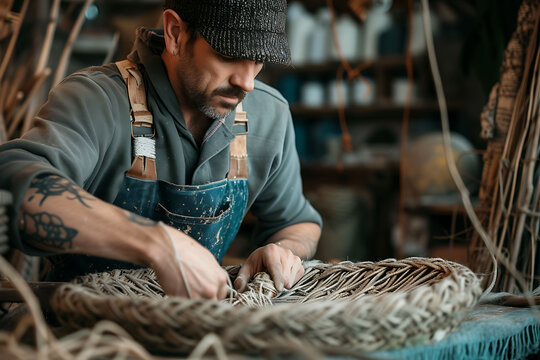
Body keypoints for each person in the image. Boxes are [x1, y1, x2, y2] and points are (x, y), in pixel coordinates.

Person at [0, 0, 322, 299]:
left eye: (258, 60)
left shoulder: (269, 115)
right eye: (227, 55)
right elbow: (16, 189)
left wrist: (284, 249)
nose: (247, 82)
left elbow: (299, 223)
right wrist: (159, 244)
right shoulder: (95, 100)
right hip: (80, 335)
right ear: (175, 33)